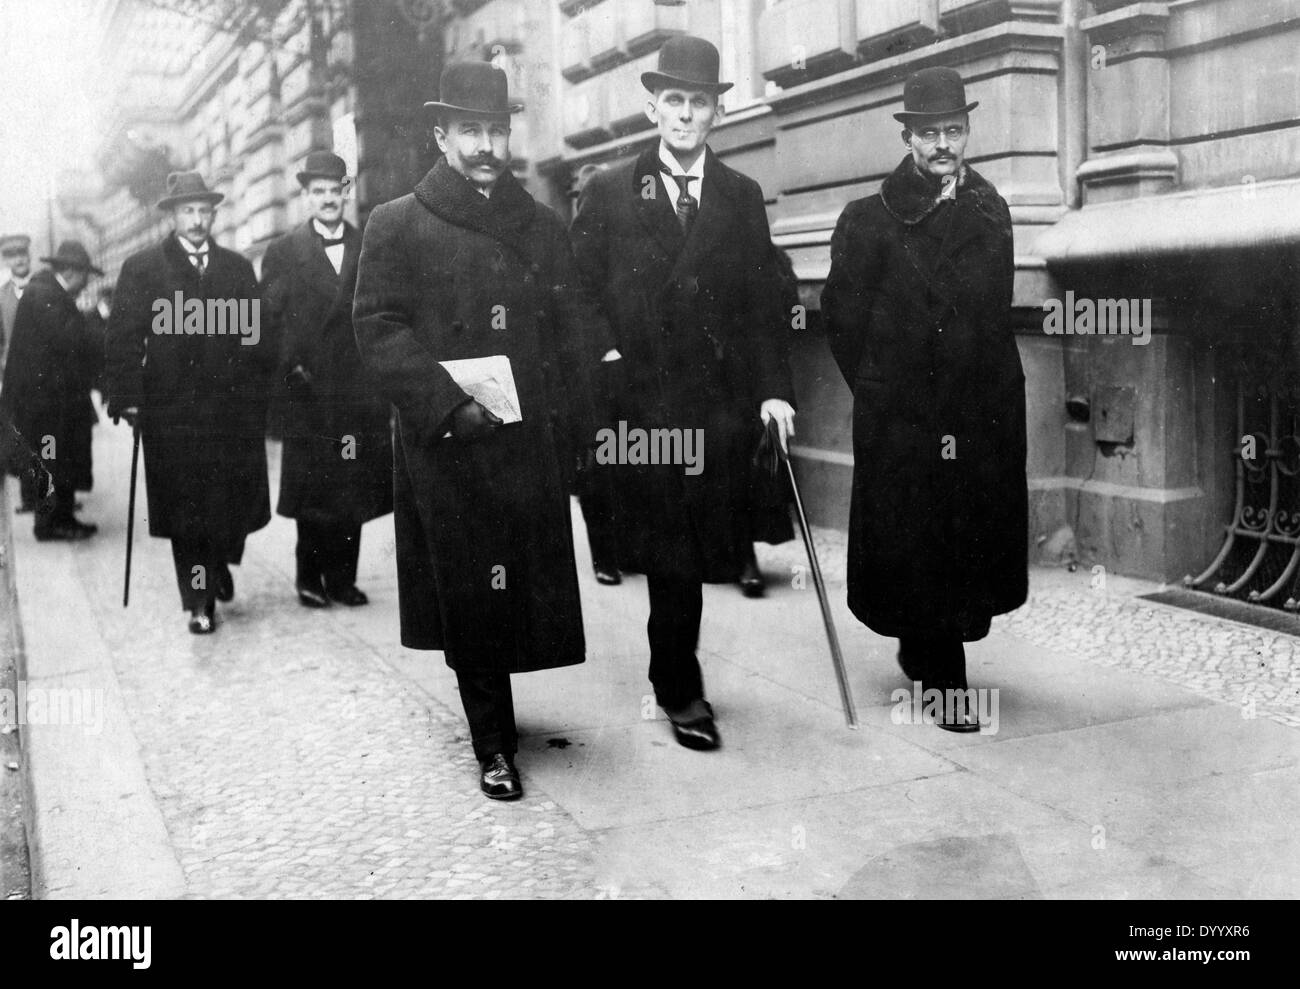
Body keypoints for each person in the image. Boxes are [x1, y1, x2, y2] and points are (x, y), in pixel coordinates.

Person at [353, 61, 610, 801]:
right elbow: (376, 325)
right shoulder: (397, 221)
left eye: (496, 129)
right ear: (442, 134)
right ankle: (492, 743)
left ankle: (500, 714)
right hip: (447, 442)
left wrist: (573, 420)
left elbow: (570, 328)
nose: (487, 145)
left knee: (514, 585)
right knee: (469, 588)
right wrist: (444, 401)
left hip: (525, 440)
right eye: (470, 130)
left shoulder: (540, 225)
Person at [570, 35, 797, 751]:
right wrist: (603, 351)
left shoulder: (739, 195)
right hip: (642, 407)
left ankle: (674, 669)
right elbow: (574, 291)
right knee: (671, 558)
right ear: (652, 107)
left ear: (715, 112)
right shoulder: (610, 190)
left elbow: (764, 306)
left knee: (704, 549)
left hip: (717, 406)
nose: (685, 115)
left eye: (699, 103)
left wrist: (774, 392)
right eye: (673, 101)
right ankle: (680, 686)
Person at [821, 66, 1027, 731]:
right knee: (919, 539)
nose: (943, 144)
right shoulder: (869, 219)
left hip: (976, 409)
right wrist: (882, 389)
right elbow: (842, 319)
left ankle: (925, 644)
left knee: (960, 542)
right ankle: (945, 685)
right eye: (929, 132)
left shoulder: (990, 208)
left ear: (966, 131)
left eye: (953, 130)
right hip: (903, 415)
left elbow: (996, 312)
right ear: (908, 136)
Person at [105, 171, 275, 635]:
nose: (197, 221)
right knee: (187, 514)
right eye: (188, 212)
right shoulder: (143, 269)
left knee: (227, 506)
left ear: (213, 214)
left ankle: (218, 563)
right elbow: (121, 338)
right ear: (173, 216)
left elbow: (257, 338)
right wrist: (128, 398)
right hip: (171, 413)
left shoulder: (237, 268)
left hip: (228, 413)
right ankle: (199, 602)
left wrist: (257, 392)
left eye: (204, 211)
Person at [260, 150, 393, 609]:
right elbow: (269, 323)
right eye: (317, 192)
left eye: (334, 191)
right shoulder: (283, 252)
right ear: (306, 197)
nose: (327, 199)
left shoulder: (367, 244)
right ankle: (308, 579)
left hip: (357, 390)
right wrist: (290, 370)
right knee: (313, 491)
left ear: (345, 192)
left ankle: (343, 579)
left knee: (352, 487)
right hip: (309, 391)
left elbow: (381, 313)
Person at [0, 240, 102, 540]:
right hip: (42, 405)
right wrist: (103, 327)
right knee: (49, 463)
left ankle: (61, 518)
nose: (85, 285)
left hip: (48, 402)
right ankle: (49, 525)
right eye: (84, 277)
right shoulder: (46, 295)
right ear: (71, 272)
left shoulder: (45, 292)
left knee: (55, 461)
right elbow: (71, 339)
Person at [1, 233, 38, 512]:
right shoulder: (2, 296)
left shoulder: (41, 288)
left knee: (49, 437)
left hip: (44, 376)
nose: (20, 259)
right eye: (13, 255)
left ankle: (51, 495)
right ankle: (29, 496)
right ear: (6, 259)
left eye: (23, 254)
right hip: (15, 380)